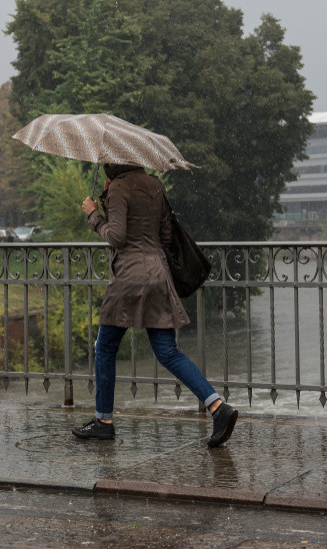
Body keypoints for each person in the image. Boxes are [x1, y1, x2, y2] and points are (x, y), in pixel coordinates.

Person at [73, 163, 238, 446]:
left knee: (105, 347)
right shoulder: (154, 185)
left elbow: (116, 237)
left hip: (129, 278)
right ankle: (217, 406)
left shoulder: (119, 188)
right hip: (158, 275)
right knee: (168, 351)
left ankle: (103, 420)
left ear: (112, 163)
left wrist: (94, 215)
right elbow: (164, 236)